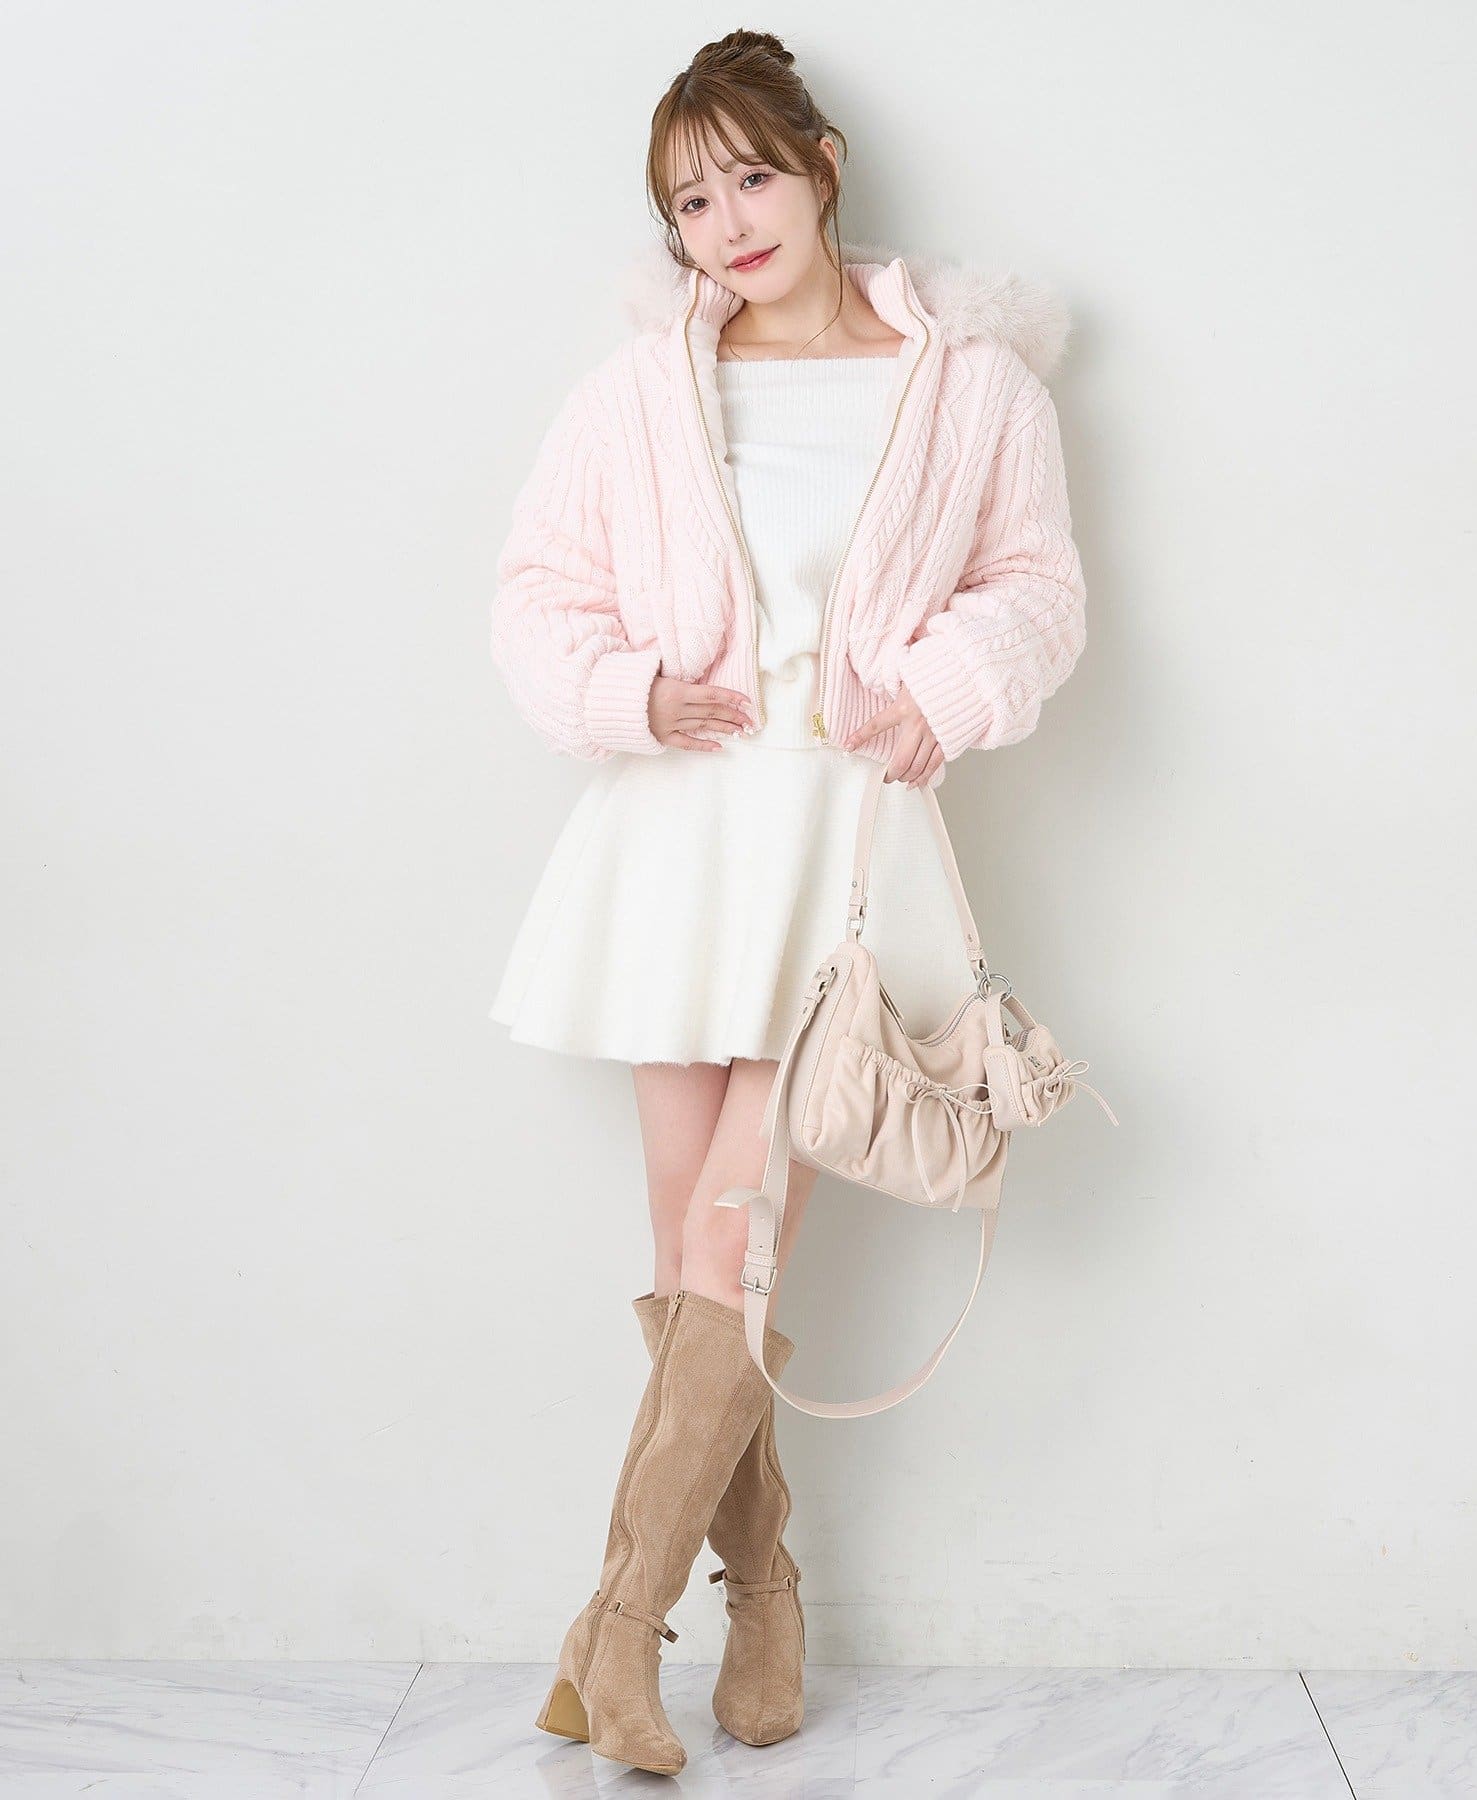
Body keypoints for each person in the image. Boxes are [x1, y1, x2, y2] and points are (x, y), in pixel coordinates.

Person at [488, 29, 1088, 1777]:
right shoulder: (639, 390)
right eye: (689, 201)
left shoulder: (972, 387)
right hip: (675, 842)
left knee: (731, 1242)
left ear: (822, 167)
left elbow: (1039, 589)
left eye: (750, 176)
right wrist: (629, 692)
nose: (727, 223)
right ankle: (763, 1602)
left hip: (845, 846)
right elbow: (534, 593)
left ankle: (612, 1638)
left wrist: (947, 688)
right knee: (695, 1263)